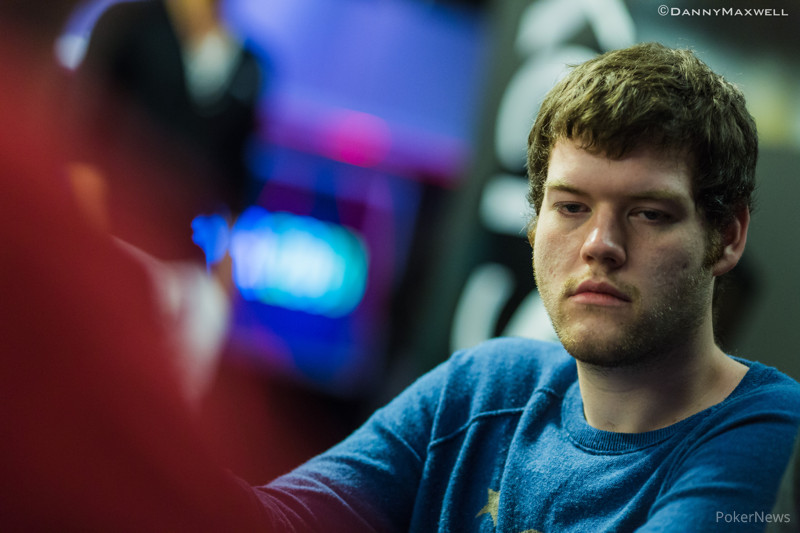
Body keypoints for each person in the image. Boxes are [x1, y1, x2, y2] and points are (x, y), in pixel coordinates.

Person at [248, 42, 800, 531]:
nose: (600, 243)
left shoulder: (771, 430)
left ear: (727, 236)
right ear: (534, 224)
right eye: (572, 207)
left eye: (650, 213)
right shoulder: (485, 389)